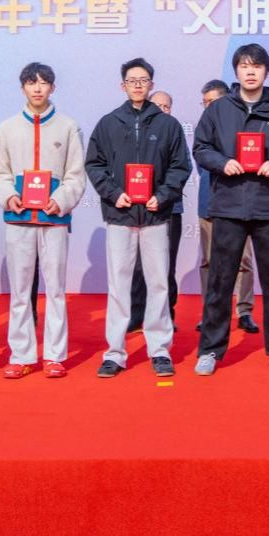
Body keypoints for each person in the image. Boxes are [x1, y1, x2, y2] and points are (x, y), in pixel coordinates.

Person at [193, 43, 269, 376]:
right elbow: (201, 148)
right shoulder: (218, 110)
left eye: (256, 66)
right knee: (220, 280)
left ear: (266, 71)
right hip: (228, 205)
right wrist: (222, 162)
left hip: (267, 206)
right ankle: (210, 350)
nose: (251, 71)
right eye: (244, 66)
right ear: (236, 71)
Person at [86, 59, 191, 378]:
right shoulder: (108, 123)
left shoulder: (168, 125)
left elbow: (180, 166)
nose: (137, 85)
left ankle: (159, 349)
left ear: (151, 84)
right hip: (120, 214)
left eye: (143, 80)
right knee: (119, 285)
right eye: (132, 81)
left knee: (158, 283)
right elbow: (94, 164)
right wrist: (113, 193)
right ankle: (115, 352)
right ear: (123, 85)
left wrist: (164, 195)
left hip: (156, 216)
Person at [0, 61, 87, 378]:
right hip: (18, 218)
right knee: (20, 291)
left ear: (52, 87)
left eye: (44, 83)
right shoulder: (7, 128)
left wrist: (61, 200)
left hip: (54, 219)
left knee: (56, 289)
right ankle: (21, 355)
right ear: (23, 88)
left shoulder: (68, 127)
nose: (38, 88)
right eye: (32, 83)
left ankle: (55, 355)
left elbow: (76, 174)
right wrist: (8, 196)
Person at [195, 79, 259, 334]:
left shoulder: (239, 124)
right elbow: (201, 163)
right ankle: (210, 311)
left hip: (238, 202)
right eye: (205, 102)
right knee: (209, 261)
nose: (208, 107)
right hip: (209, 201)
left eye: (213, 101)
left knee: (243, 259)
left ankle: (244, 311)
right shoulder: (203, 128)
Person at [128, 89, 187, 328]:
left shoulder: (175, 131)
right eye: (157, 105)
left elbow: (183, 167)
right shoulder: (135, 131)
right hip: (138, 209)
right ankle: (137, 314)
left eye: (166, 106)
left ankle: (166, 315)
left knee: (166, 265)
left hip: (169, 209)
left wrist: (162, 195)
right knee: (138, 265)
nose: (162, 110)